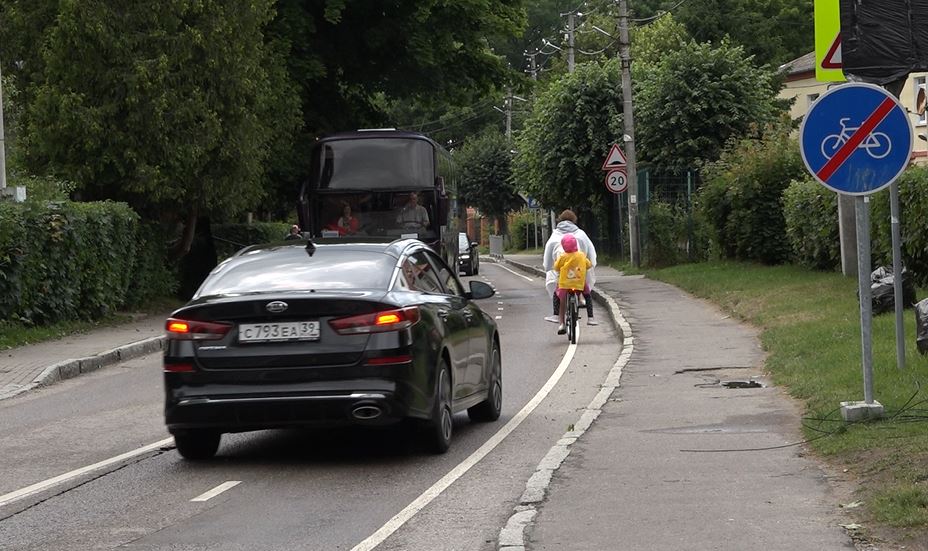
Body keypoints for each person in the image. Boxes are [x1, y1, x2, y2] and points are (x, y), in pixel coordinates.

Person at [542, 209, 598, 325]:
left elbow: (548, 262)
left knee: (557, 290)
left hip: (563, 277)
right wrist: (591, 264)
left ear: (560, 220)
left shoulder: (554, 237)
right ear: (574, 220)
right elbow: (592, 255)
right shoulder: (581, 235)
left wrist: (548, 268)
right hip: (580, 275)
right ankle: (589, 313)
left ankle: (556, 315)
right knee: (586, 288)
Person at [553, 233, 592, 335]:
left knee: (558, 297)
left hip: (565, 284)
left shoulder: (563, 256)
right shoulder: (581, 255)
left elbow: (556, 267)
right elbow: (588, 265)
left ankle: (559, 321)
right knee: (587, 293)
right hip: (579, 282)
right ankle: (590, 316)